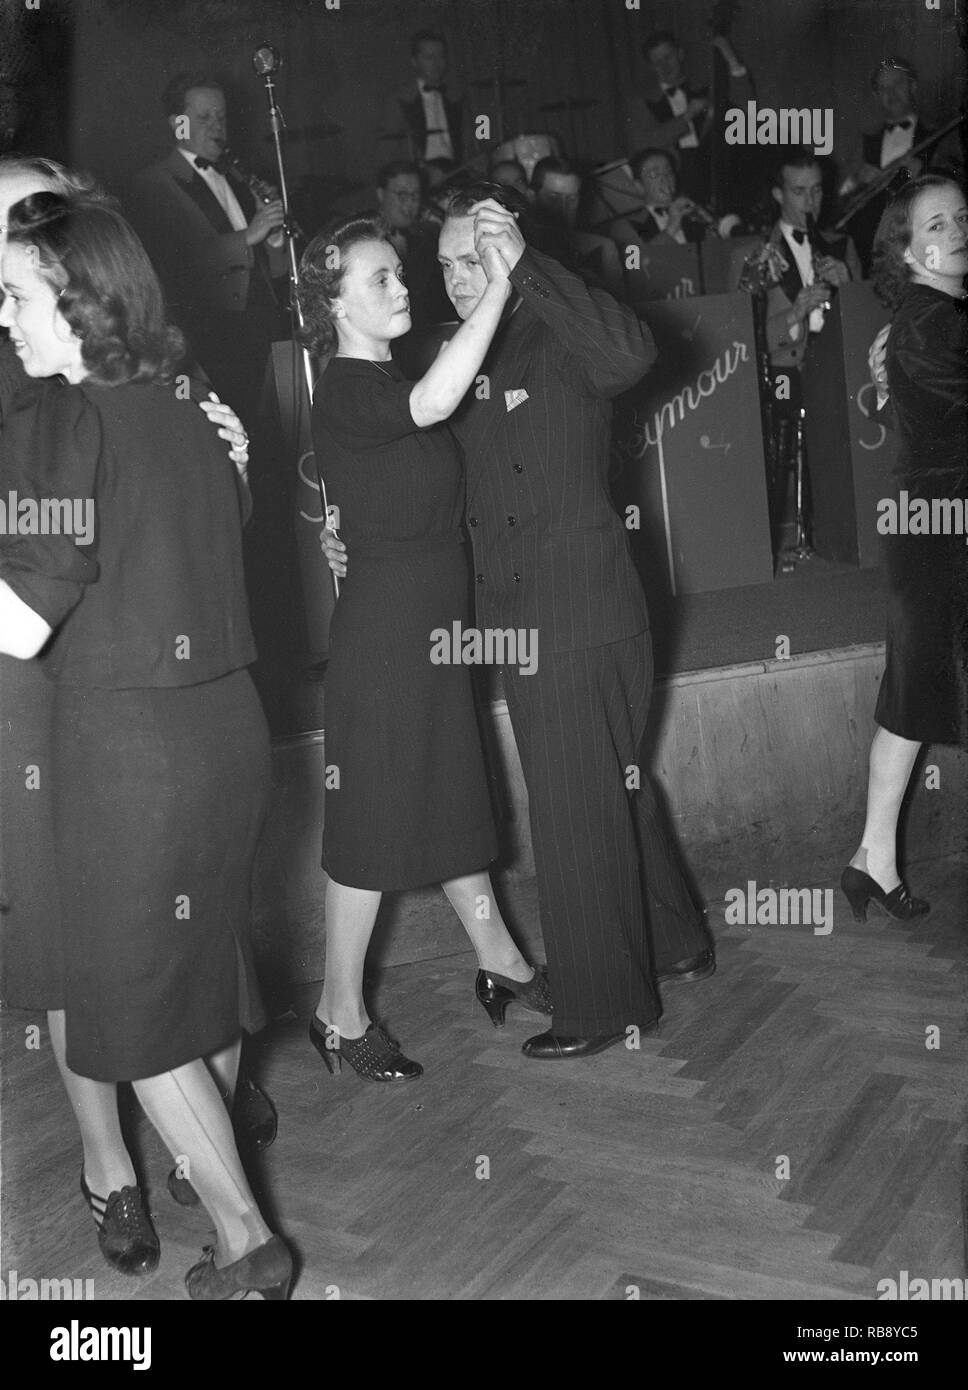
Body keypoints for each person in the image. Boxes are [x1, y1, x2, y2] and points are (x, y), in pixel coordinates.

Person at [322, 182, 714, 1061]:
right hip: (505, 616)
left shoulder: (562, 328)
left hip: (576, 604)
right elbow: (405, 463)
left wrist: (523, 267)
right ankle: (679, 939)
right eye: (450, 266)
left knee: (575, 800)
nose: (462, 281)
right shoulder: (450, 354)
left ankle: (603, 1004)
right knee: (607, 779)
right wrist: (345, 523)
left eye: (478, 259)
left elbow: (631, 355)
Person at [0, 192, 291, 1299]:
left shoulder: (65, 419)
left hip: (130, 755)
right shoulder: (182, 399)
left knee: (135, 1022)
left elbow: (23, 621)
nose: (6, 315)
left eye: (19, 295)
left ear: (73, 300)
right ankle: (226, 1226)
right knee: (197, 989)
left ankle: (249, 1243)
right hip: (228, 727)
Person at [298, 208, 551, 1081]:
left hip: (432, 630)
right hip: (385, 640)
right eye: (382, 279)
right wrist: (506, 280)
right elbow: (438, 399)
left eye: (401, 274)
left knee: (448, 794)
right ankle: (338, 1009)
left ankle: (502, 959)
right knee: (372, 820)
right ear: (335, 303)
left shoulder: (383, 376)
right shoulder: (348, 386)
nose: (403, 289)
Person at [842, 175, 968, 922]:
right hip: (942, 534)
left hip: (935, 524)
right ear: (906, 247)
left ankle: (873, 857)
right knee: (919, 684)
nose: (954, 230)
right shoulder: (927, 322)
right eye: (935, 224)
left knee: (913, 692)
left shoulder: (932, 318)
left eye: (962, 217)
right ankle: (872, 856)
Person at [126, 72, 287, 424]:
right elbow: (175, 263)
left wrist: (274, 237)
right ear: (178, 124)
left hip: (262, 329)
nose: (218, 126)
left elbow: (269, 267)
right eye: (204, 117)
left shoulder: (240, 178)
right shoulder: (152, 185)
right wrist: (249, 236)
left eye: (222, 116)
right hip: (212, 339)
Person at [761, 150, 861, 557]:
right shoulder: (756, 254)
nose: (810, 202)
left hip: (836, 364)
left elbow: (865, 319)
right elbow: (750, 338)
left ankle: (845, 530)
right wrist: (795, 312)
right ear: (777, 194)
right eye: (799, 191)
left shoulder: (842, 245)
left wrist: (850, 283)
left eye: (817, 190)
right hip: (785, 370)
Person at [839, 58, 962, 274]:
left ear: (912, 87)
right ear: (876, 96)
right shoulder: (863, 144)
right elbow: (840, 200)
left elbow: (956, 193)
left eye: (898, 84)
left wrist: (924, 175)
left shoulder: (938, 138)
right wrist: (857, 179)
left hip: (921, 252)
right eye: (884, 88)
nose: (892, 93)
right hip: (871, 253)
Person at [626, 28, 753, 206]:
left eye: (668, 57)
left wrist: (730, 56)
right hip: (677, 180)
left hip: (717, 173)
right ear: (650, 66)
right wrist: (686, 117)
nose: (665, 66)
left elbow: (745, 105)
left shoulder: (704, 89)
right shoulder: (644, 102)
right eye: (657, 62)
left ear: (680, 54)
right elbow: (643, 143)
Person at [529, 156, 623, 297]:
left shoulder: (604, 248)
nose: (563, 209)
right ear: (531, 197)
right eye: (554, 197)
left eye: (572, 199)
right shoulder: (521, 246)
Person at [380, 29, 465, 168]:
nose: (437, 63)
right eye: (429, 57)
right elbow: (389, 149)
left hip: (456, 170)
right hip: (419, 173)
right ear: (414, 62)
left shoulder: (456, 97)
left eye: (441, 56)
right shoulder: (399, 100)